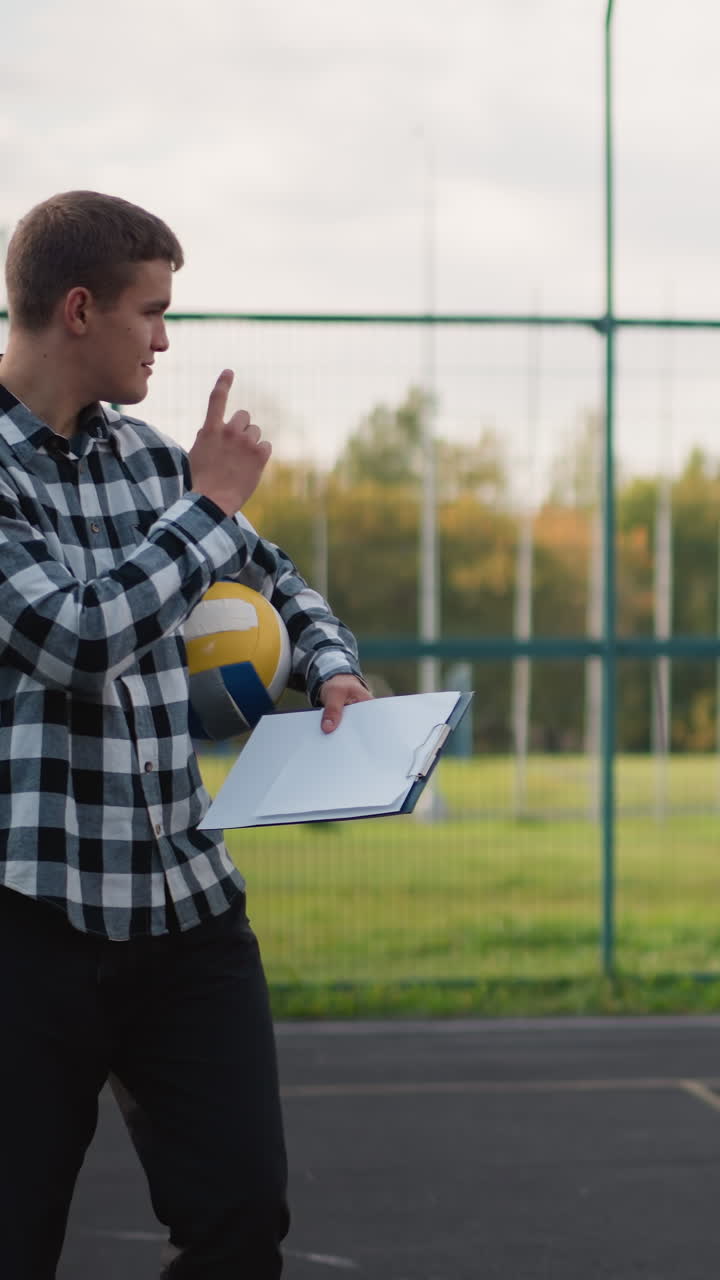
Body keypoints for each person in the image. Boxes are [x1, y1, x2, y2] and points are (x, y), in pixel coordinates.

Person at [0, 189, 371, 1280]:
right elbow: (76, 637)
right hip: (33, 927)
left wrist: (331, 663)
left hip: (188, 914)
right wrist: (208, 508)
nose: (166, 338)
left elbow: (277, 579)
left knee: (242, 1219)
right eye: (152, 311)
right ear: (80, 309)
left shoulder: (152, 462)